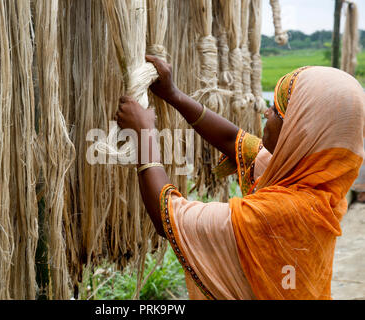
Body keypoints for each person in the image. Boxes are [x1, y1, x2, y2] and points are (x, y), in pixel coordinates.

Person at [115, 56, 365, 300]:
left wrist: (144, 135)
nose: (266, 112)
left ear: (299, 131)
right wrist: (174, 95)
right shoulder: (313, 181)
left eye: (277, 110)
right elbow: (233, 140)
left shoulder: (283, 212)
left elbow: (168, 217)